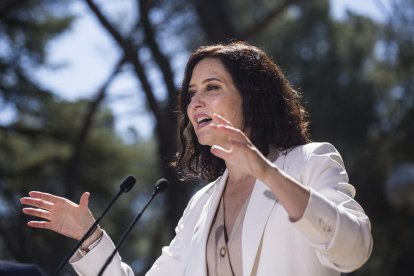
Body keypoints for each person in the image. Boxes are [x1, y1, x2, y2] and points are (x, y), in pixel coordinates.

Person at [20, 41, 373, 276]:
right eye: (191, 93)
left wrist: (267, 173)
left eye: (212, 87)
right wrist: (91, 238)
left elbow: (353, 250)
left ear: (251, 98)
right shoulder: (202, 204)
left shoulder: (310, 161)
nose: (195, 103)